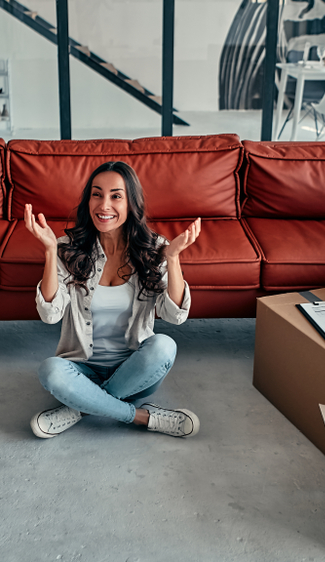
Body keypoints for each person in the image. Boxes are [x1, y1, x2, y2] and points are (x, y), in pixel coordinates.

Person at [24, 161, 201, 439]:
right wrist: (49, 251)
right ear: (88, 200)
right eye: (97, 194)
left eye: (116, 196)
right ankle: (141, 417)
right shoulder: (67, 248)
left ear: (131, 203)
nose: (104, 205)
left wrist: (173, 258)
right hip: (82, 369)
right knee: (51, 370)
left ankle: (80, 407)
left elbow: (175, 315)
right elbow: (50, 314)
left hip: (134, 374)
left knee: (164, 346)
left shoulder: (155, 249)